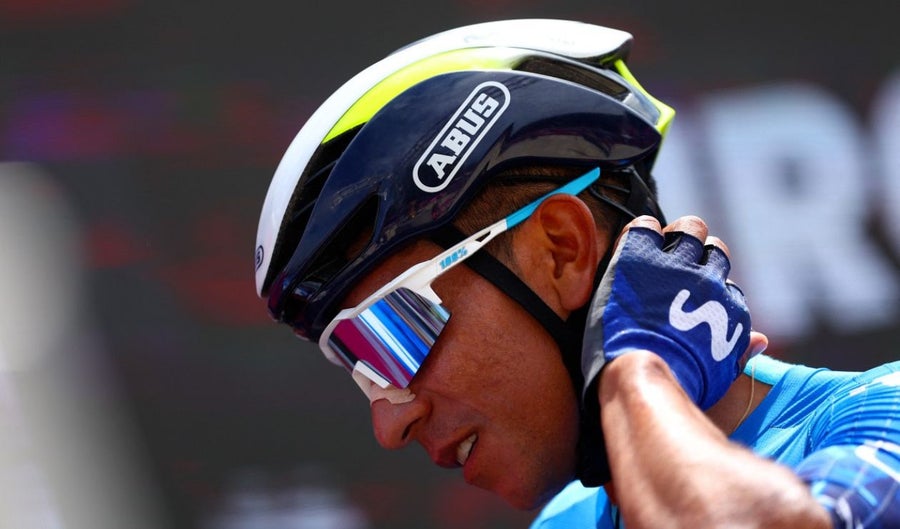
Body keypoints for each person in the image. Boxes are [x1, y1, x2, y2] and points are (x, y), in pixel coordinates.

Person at [253, 19, 900, 528]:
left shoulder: (881, 411)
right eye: (361, 369)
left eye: (390, 333)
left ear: (561, 251)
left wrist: (639, 369)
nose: (389, 425)